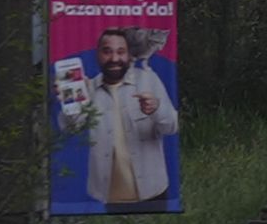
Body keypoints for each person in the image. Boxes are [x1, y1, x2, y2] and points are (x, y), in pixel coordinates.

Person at [61, 25, 180, 212]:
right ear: (98, 55)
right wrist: (70, 103)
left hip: (153, 193)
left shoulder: (149, 80)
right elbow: (70, 129)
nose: (114, 59)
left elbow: (172, 126)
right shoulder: (87, 89)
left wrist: (157, 109)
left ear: (128, 55)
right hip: (108, 199)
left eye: (120, 52)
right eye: (107, 52)